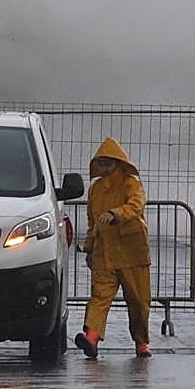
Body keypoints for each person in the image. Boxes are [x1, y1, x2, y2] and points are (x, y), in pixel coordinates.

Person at [73, 137, 152, 359]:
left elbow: (136, 205)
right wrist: (89, 248)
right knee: (99, 297)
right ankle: (91, 339)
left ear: (118, 163)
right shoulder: (95, 189)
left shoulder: (131, 183)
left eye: (108, 163)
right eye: (101, 163)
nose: (104, 168)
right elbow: (92, 221)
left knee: (138, 300)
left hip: (132, 253)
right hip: (103, 254)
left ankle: (141, 342)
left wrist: (116, 213)